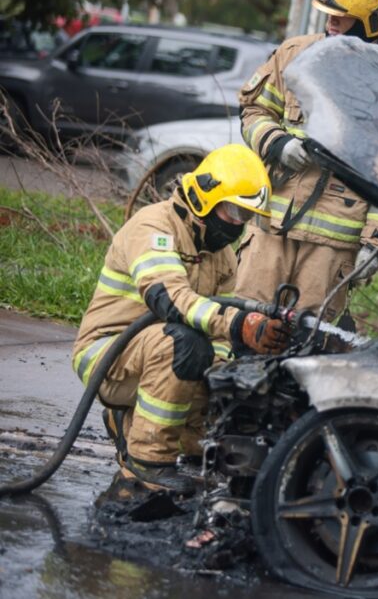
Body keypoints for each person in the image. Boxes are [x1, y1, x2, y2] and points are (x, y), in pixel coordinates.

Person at [73, 145, 290, 492]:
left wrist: (228, 374)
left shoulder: (222, 255)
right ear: (206, 198)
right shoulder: (153, 227)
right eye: (234, 211)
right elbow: (171, 299)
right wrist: (239, 325)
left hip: (158, 352)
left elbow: (219, 338)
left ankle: (141, 429)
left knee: (215, 375)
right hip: (107, 356)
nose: (238, 224)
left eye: (247, 217)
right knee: (184, 345)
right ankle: (146, 464)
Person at [234, 0, 378, 322]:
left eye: (341, 17)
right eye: (328, 14)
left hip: (331, 250)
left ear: (371, 21)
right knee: (247, 327)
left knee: (307, 345)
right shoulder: (295, 54)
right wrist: (277, 145)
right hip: (269, 228)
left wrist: (376, 243)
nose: (330, 23)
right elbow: (252, 112)